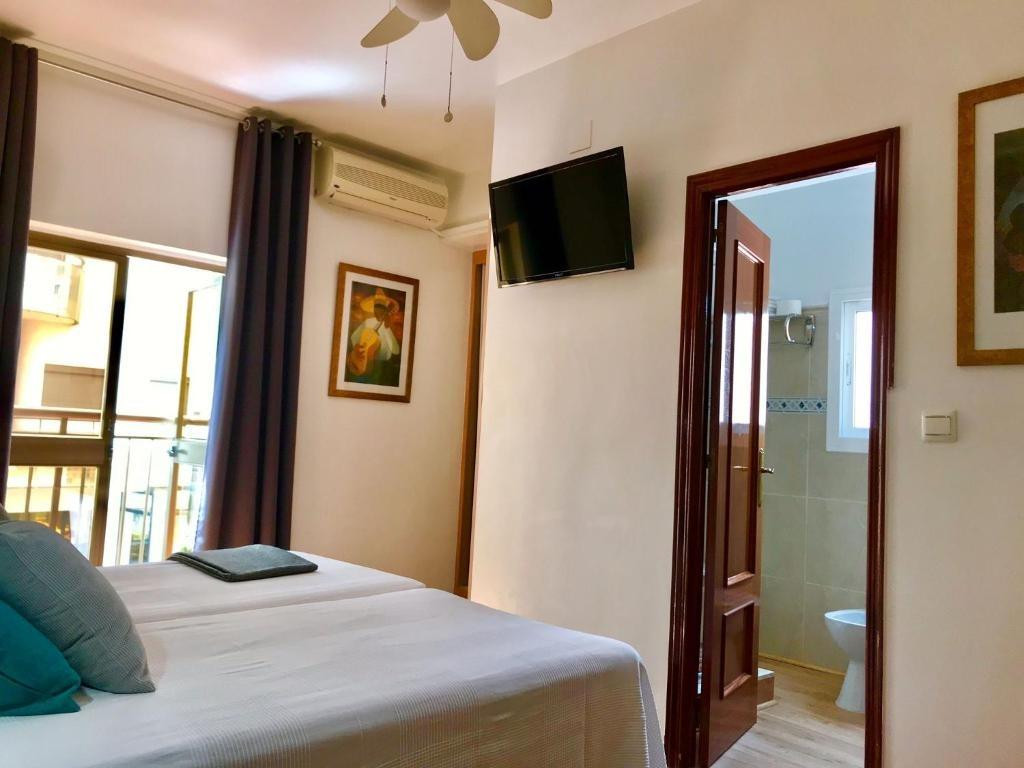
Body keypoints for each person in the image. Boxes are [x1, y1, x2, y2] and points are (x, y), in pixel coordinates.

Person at [346, 288, 401, 385]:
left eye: (381, 308)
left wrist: (387, 329)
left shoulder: (387, 326)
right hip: (361, 361)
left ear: (385, 310)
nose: (379, 311)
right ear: (374, 309)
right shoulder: (368, 322)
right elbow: (353, 338)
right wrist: (358, 350)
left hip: (378, 366)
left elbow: (395, 350)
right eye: (377, 308)